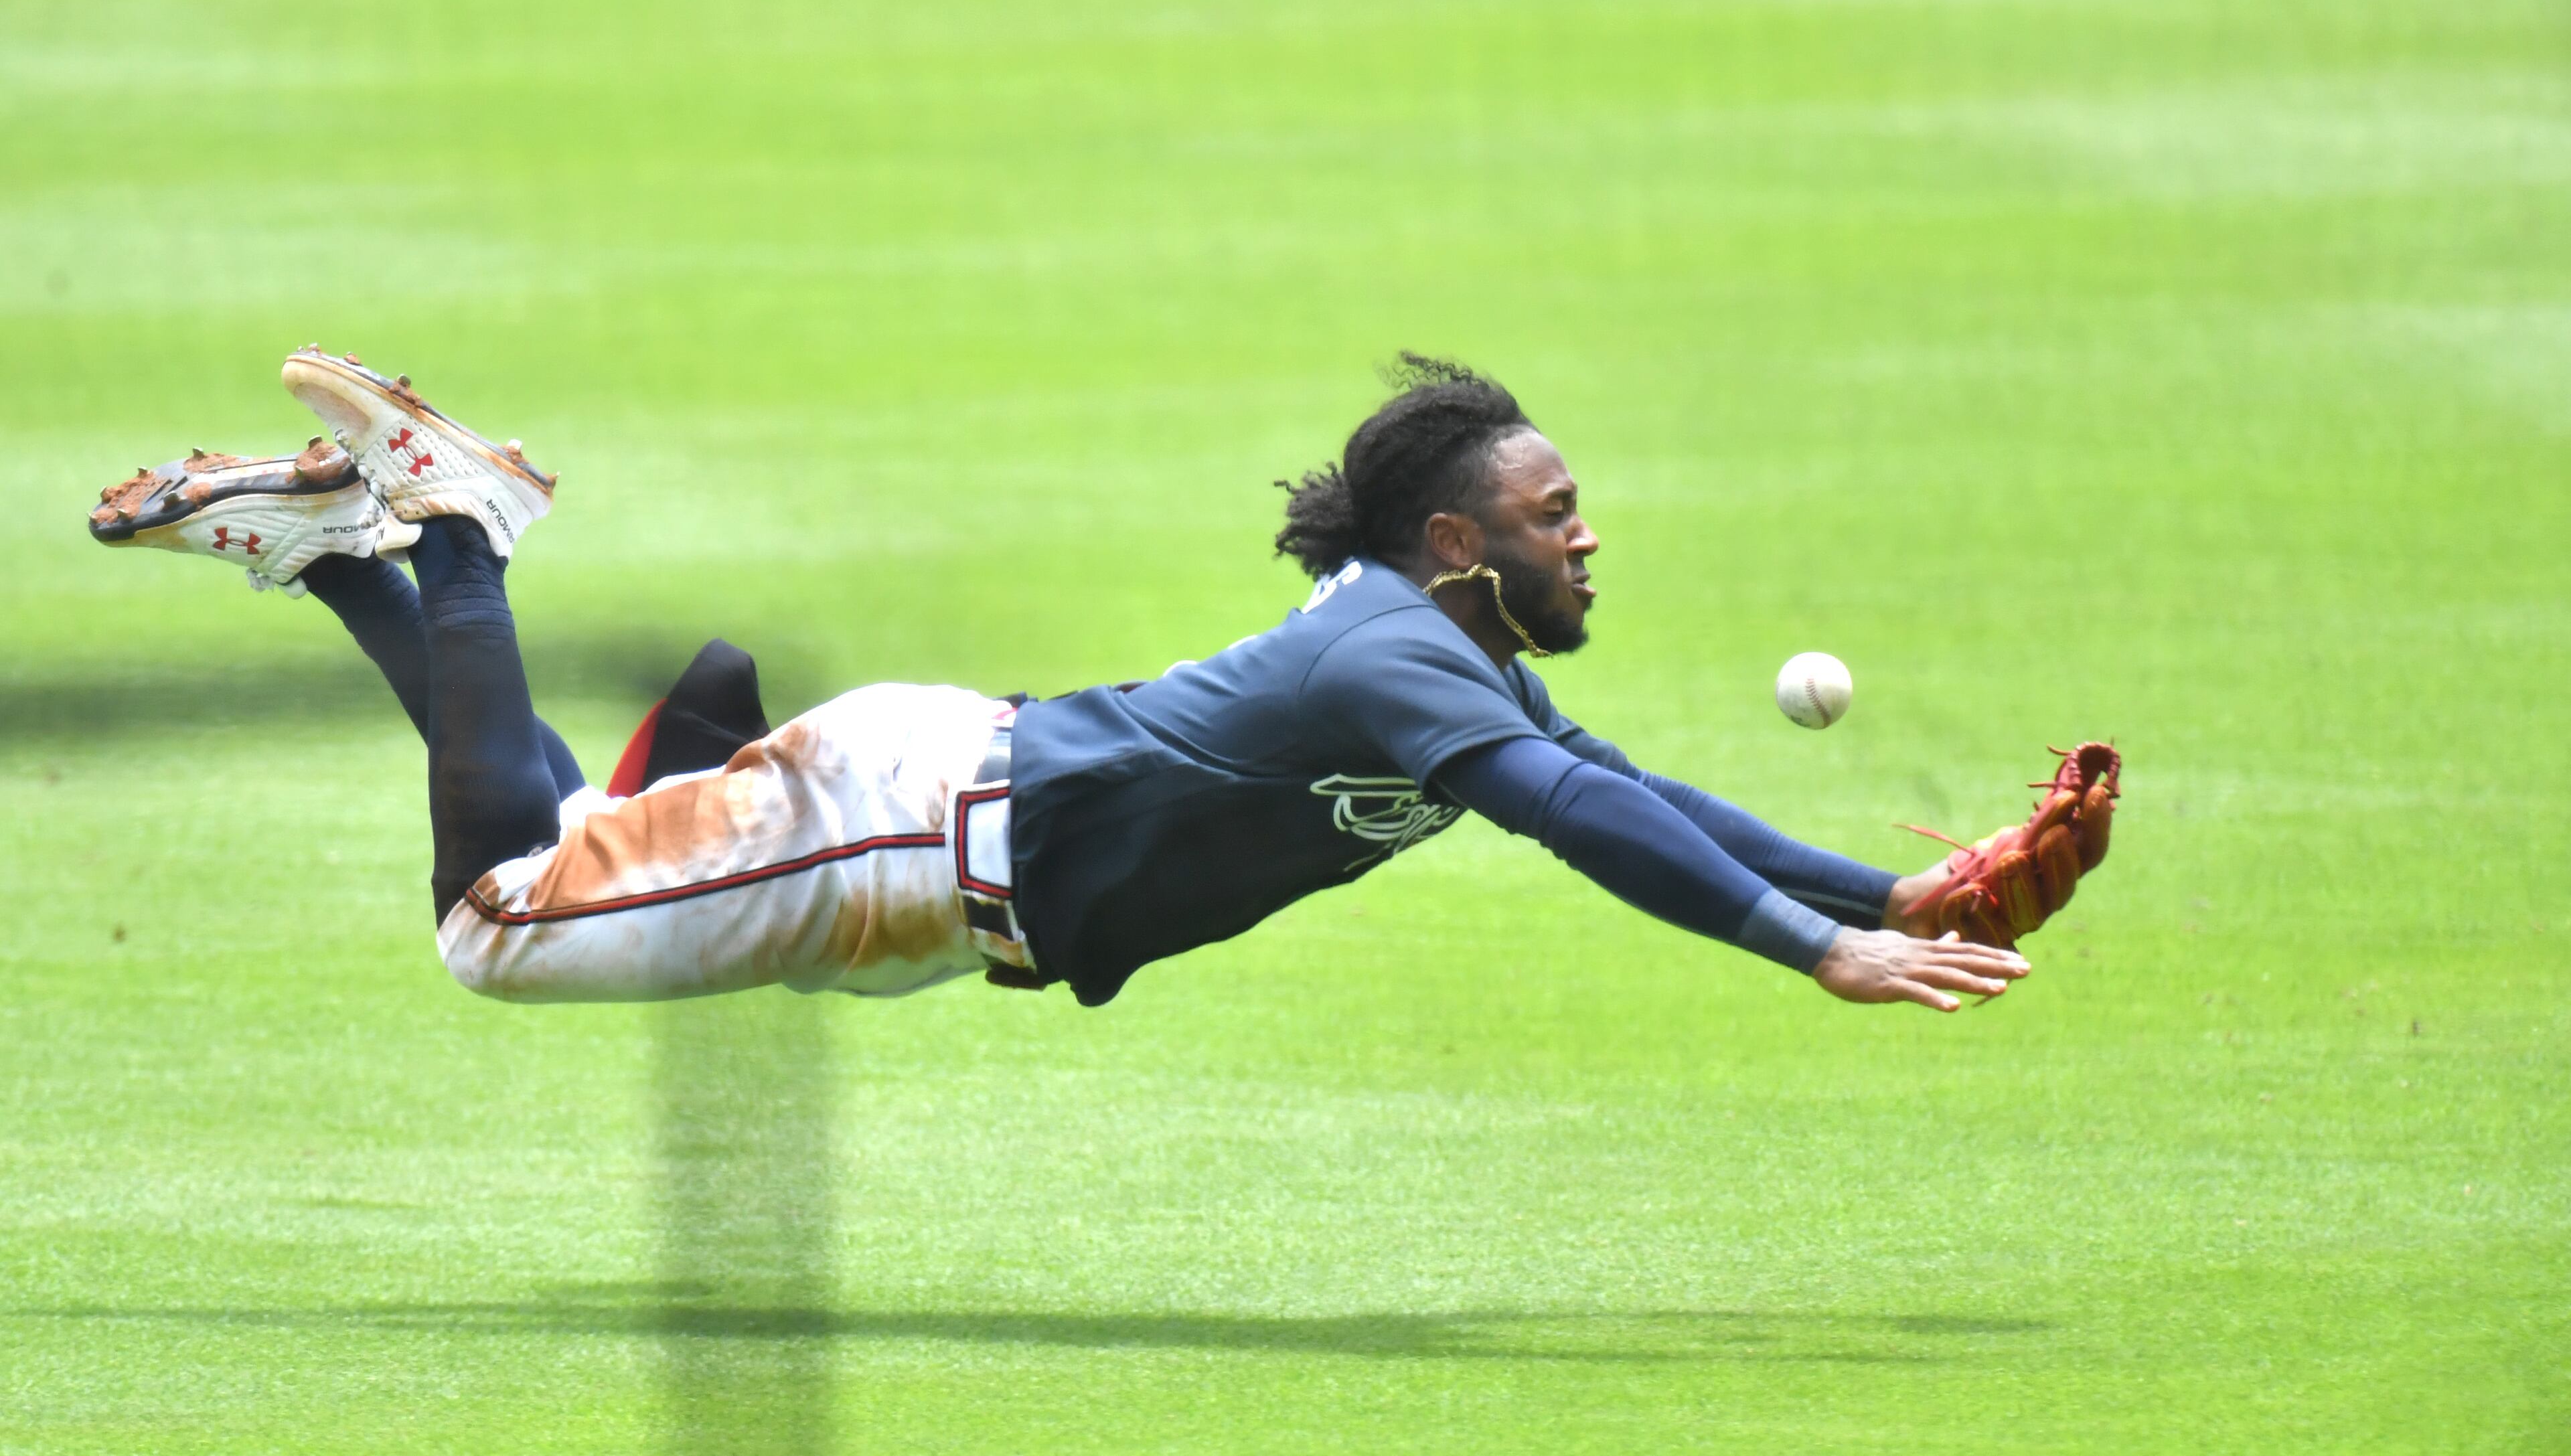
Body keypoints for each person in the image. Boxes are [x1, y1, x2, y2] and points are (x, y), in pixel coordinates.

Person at [89, 349, 2029, 1014]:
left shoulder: (1438, 653)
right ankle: (450, 536)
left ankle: (347, 560)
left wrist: (1894, 890)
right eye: (1555, 509)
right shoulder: (1400, 660)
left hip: (928, 832)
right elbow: (1583, 817)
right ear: (1459, 544)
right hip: (907, 841)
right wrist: (1815, 951)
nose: (1584, 536)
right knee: (492, 929)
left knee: (578, 844)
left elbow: (1640, 791)